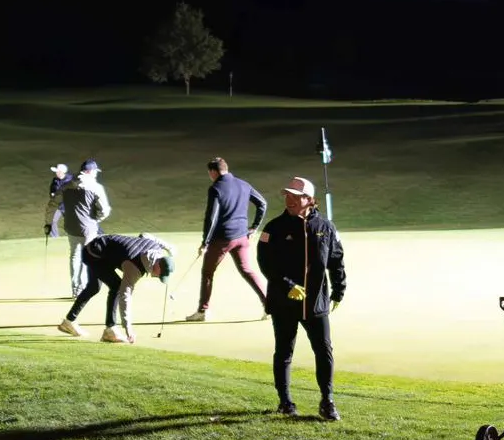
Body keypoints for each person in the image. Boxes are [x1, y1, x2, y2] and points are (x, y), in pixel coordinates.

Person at [257, 176, 346, 420]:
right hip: (284, 301)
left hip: (316, 302)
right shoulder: (273, 228)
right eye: (287, 195)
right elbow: (265, 263)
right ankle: (285, 401)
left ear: (309, 199)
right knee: (284, 352)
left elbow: (336, 260)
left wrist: (339, 290)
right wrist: (287, 285)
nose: (289, 200)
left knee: (324, 350)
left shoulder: (326, 228)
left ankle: (327, 401)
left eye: (295, 196)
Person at [184, 157, 269, 321]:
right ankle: (269, 305)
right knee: (247, 270)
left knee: (207, 272)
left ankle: (203, 311)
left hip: (222, 239)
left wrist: (205, 242)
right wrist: (254, 227)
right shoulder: (243, 184)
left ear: (213, 172)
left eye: (210, 173)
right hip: (242, 237)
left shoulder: (216, 188)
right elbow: (262, 204)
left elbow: (212, 217)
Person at [57, 234, 175, 343]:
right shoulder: (134, 268)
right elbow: (125, 296)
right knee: (116, 287)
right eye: (160, 274)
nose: (158, 277)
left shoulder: (156, 248)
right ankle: (110, 330)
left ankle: (68, 322)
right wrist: (128, 328)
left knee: (93, 287)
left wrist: (169, 247)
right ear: (157, 265)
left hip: (104, 252)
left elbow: (145, 235)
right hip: (93, 253)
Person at [44, 158, 112, 296]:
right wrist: (95, 219)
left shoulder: (66, 186)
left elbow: (52, 204)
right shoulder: (96, 187)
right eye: (95, 172)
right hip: (89, 229)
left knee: (75, 256)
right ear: (90, 171)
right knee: (89, 257)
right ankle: (88, 287)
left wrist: (48, 223)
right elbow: (104, 210)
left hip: (71, 227)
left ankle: (76, 288)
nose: (96, 174)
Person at [47, 163, 72, 238]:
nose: (56, 173)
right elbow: (52, 190)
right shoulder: (55, 180)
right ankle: (55, 238)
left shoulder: (70, 181)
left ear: (62, 172)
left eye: (57, 171)